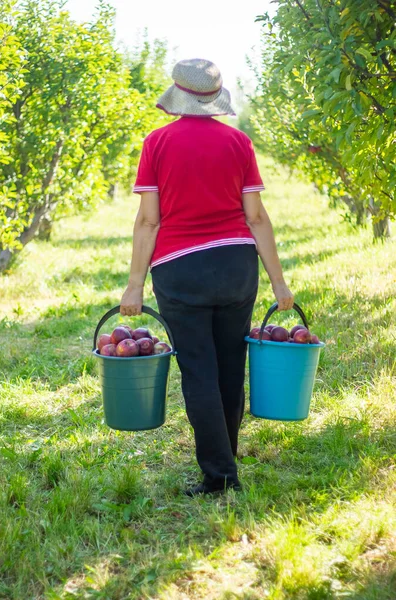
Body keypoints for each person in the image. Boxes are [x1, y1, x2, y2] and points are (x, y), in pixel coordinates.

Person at [120, 58, 294, 497]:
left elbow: (147, 222)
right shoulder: (239, 143)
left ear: (177, 94)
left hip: (181, 269)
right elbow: (256, 218)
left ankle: (219, 476)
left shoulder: (156, 143)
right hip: (236, 267)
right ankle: (226, 460)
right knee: (230, 367)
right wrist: (279, 282)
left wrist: (135, 284)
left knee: (199, 370)